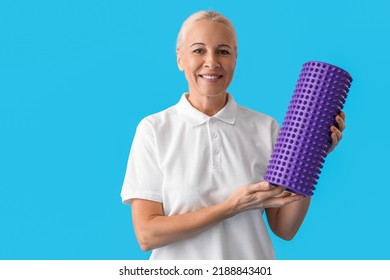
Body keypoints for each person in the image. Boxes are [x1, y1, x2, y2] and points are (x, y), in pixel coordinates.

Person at [121, 10, 346, 260]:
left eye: (223, 51)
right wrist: (230, 207)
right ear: (180, 59)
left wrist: (311, 157)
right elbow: (147, 234)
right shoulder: (154, 129)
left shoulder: (265, 128)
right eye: (198, 50)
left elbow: (285, 228)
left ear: (235, 59)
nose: (211, 62)